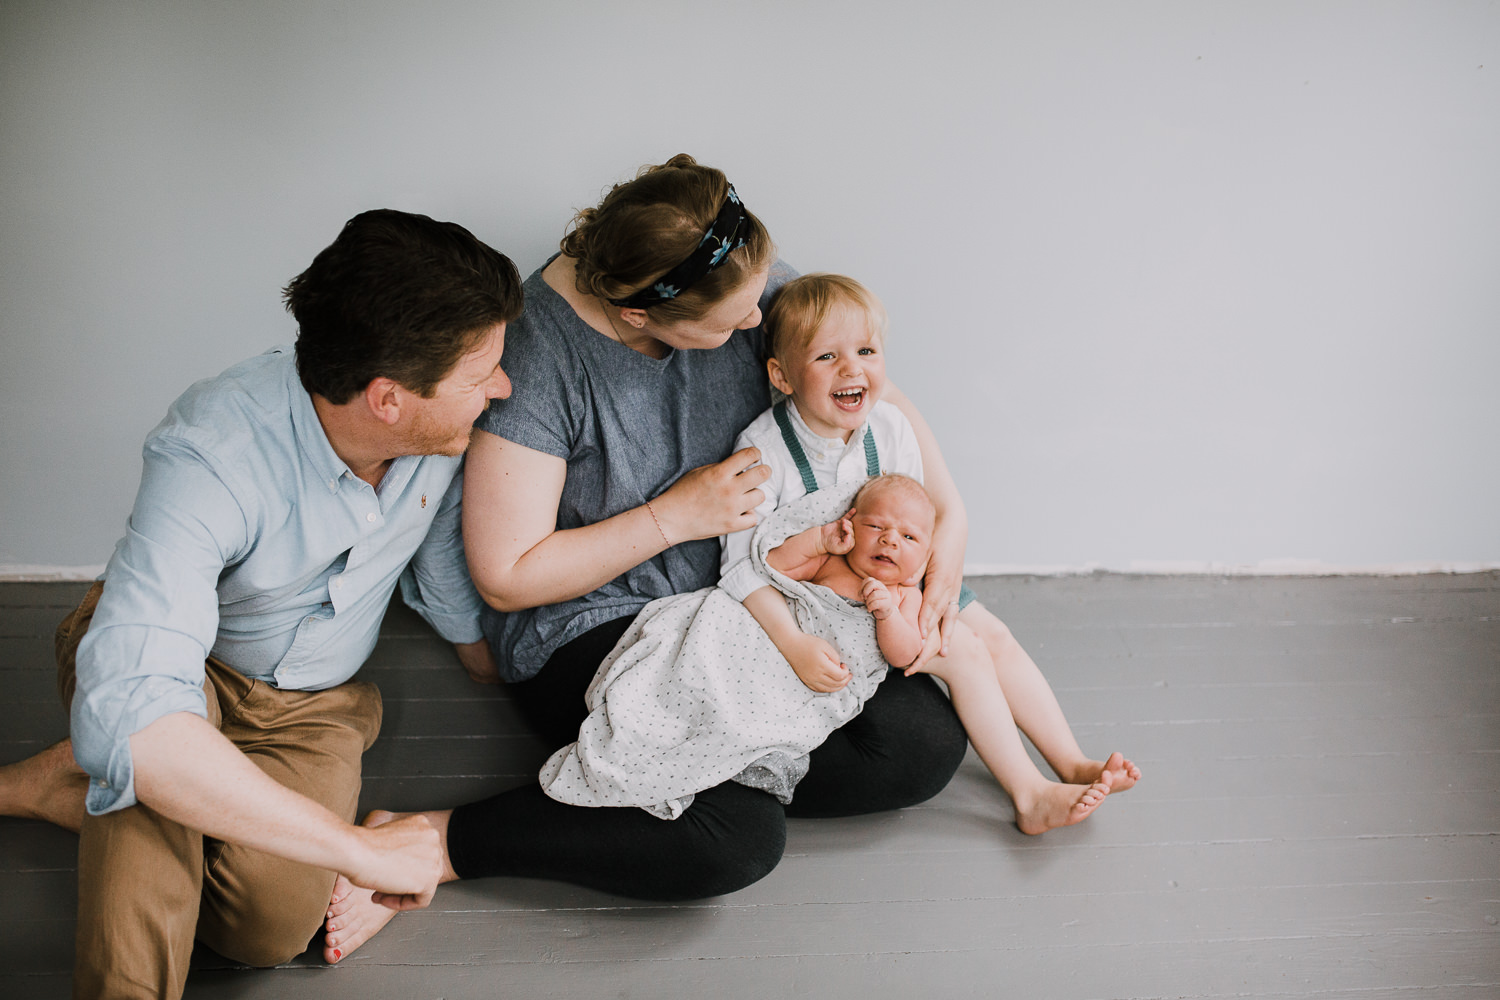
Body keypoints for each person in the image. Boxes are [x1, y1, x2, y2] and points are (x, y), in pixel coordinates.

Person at [322, 155, 973, 960]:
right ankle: (437, 843)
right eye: (731, 323)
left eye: (755, 304)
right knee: (731, 842)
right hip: (603, 619)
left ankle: (681, 769)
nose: (751, 327)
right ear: (641, 317)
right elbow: (509, 573)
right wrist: (675, 517)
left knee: (922, 745)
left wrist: (952, 524)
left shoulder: (736, 279)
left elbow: (880, 401)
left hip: (760, 603)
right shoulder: (540, 357)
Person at [0, 209, 523, 999]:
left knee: (267, 933)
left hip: (314, 704)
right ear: (389, 398)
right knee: (149, 796)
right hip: (194, 668)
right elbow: (142, 708)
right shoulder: (212, 448)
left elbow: (437, 544)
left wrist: (478, 650)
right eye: (481, 375)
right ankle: (124, 790)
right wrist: (361, 852)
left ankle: (77, 782)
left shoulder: (439, 435)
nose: (503, 387)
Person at [724, 273, 1141, 833]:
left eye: (866, 351)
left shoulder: (890, 428)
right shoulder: (763, 447)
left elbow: (920, 519)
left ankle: (1068, 759)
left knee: (995, 637)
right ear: (782, 374)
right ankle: (1029, 794)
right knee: (965, 652)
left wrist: (928, 594)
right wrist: (796, 643)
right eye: (827, 356)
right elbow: (740, 564)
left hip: (903, 577)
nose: (853, 369)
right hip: (835, 606)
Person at [769, 473, 1122, 832]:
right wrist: (819, 540)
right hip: (798, 655)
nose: (890, 540)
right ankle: (1038, 789)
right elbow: (776, 565)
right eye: (876, 526)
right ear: (852, 523)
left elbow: (903, 652)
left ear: (923, 557)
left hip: (856, 657)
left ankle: (1068, 768)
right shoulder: (831, 561)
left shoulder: (904, 594)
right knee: (974, 651)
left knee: (994, 638)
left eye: (907, 537)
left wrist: (888, 615)